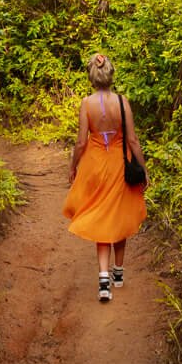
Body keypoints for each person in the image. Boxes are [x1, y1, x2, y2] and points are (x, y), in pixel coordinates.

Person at [62, 52, 148, 302]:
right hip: (120, 166)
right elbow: (132, 140)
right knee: (119, 215)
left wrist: (73, 166)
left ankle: (103, 279)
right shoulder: (123, 102)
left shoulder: (86, 104)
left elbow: (80, 142)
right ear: (110, 75)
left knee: (101, 216)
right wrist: (143, 168)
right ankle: (118, 274)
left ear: (91, 76)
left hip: (96, 166)